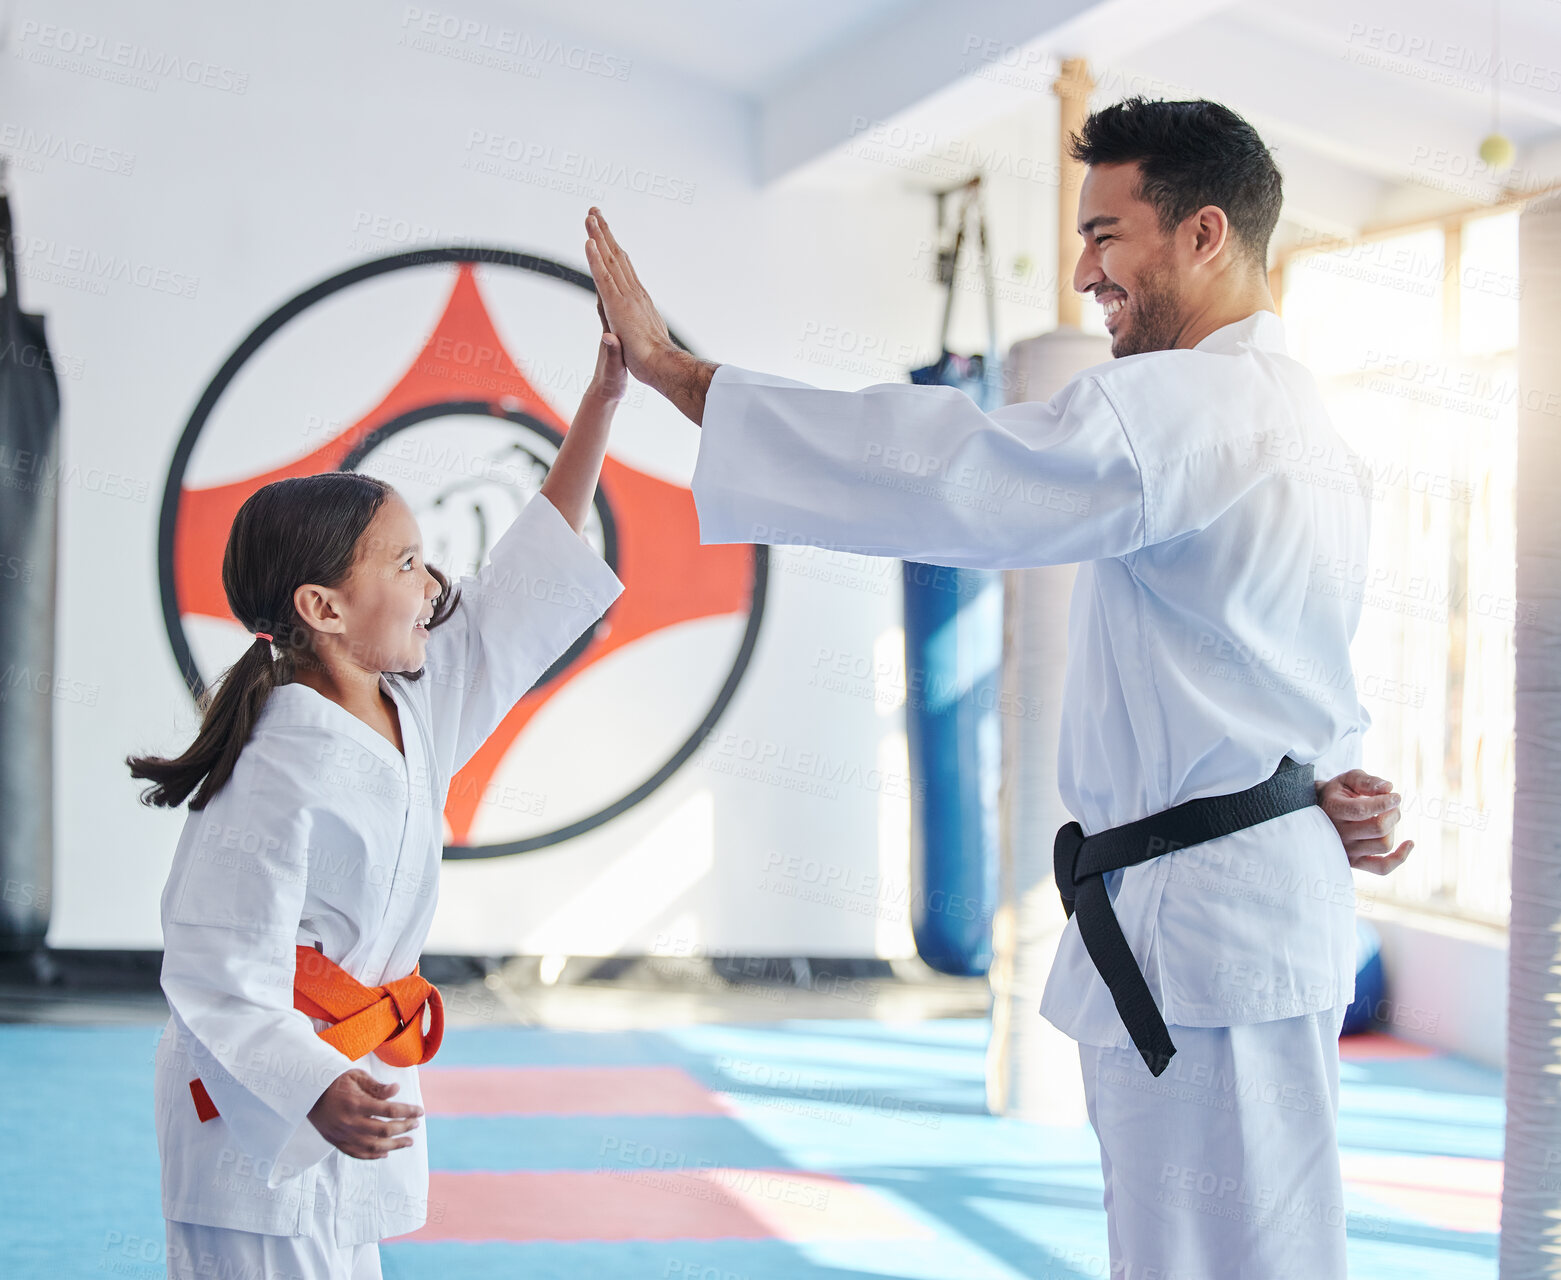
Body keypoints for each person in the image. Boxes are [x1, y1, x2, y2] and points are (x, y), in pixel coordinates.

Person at [582, 96, 1411, 1279]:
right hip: (1247, 907)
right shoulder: (1312, 427)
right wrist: (1342, 778)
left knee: (1203, 1257)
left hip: (1211, 927)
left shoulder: (1189, 405)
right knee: (1261, 1246)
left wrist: (682, 376)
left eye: (1107, 234)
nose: (1083, 272)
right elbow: (1284, 662)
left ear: (1204, 233)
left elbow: (952, 472)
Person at [126, 308, 628, 1279]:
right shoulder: (275, 761)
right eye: (402, 562)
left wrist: (601, 402)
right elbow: (212, 968)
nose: (431, 578)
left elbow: (523, 583)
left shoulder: (411, 697)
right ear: (322, 609)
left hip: (353, 1080)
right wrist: (308, 1082)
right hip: (254, 1108)